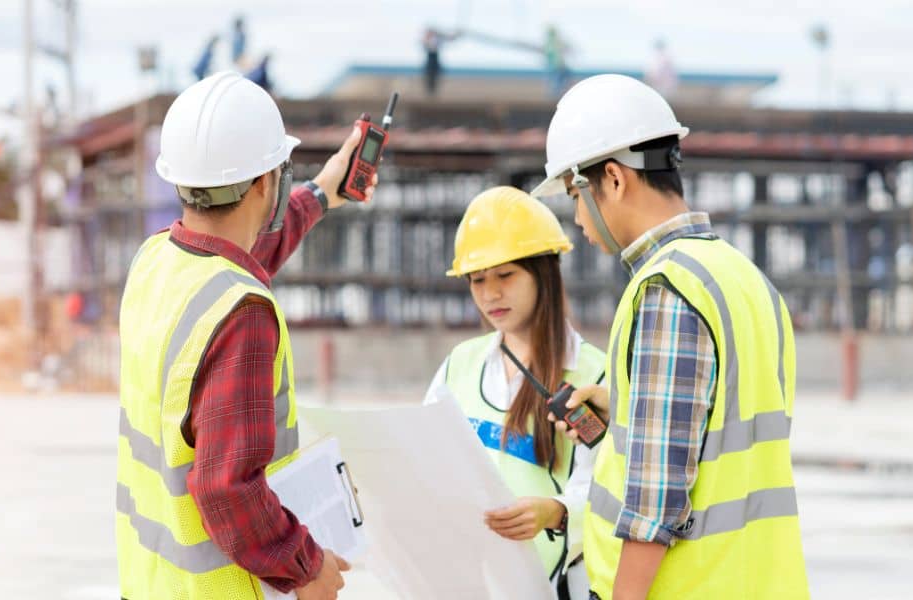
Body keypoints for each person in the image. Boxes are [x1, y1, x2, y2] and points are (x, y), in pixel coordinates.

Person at [531, 74, 809, 599]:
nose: (576, 218)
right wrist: (624, 407)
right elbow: (725, 423)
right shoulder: (743, 277)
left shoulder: (667, 289)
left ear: (613, 179)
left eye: (574, 193)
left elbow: (656, 498)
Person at [116, 71, 377, 600]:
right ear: (265, 182)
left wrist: (324, 191)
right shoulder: (242, 312)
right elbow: (226, 488)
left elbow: (244, 253)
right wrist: (305, 566)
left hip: (151, 585)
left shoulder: (156, 261)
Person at [424, 186, 607, 599]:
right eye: (477, 280)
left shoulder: (596, 374)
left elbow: (611, 489)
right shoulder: (460, 364)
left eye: (505, 275)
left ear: (543, 272)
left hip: (553, 586)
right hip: (473, 583)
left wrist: (557, 512)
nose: (490, 294)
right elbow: (426, 459)